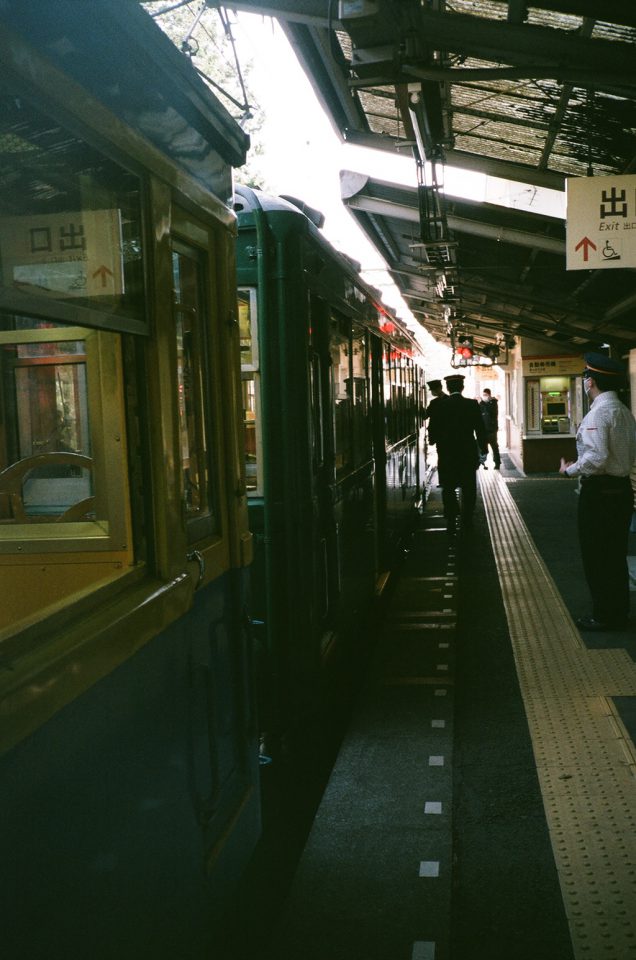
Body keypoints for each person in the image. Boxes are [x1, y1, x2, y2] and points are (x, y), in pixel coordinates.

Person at [559, 352, 636, 631]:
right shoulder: (625, 413)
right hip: (621, 490)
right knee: (614, 555)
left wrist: (569, 469)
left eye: (584, 378)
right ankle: (617, 611)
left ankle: (604, 615)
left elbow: (597, 456)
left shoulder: (599, 413)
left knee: (596, 556)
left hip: (600, 493)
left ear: (590, 382)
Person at [428, 373, 487, 530]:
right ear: (462, 387)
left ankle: (451, 515)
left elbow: (432, 429)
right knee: (468, 485)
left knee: (448, 485)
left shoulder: (439, 405)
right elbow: (480, 429)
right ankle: (467, 517)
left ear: (447, 387)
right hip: (467, 452)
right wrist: (484, 449)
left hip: (446, 453)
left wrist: (433, 440)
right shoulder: (472, 404)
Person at [478, 388, 501, 469]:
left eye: (486, 395)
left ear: (489, 395)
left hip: (492, 430)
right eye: (483, 395)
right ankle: (480, 462)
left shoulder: (493, 403)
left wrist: (482, 402)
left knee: (494, 447)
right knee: (481, 448)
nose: (484, 396)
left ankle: (497, 463)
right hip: (483, 430)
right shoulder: (482, 404)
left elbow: (491, 413)